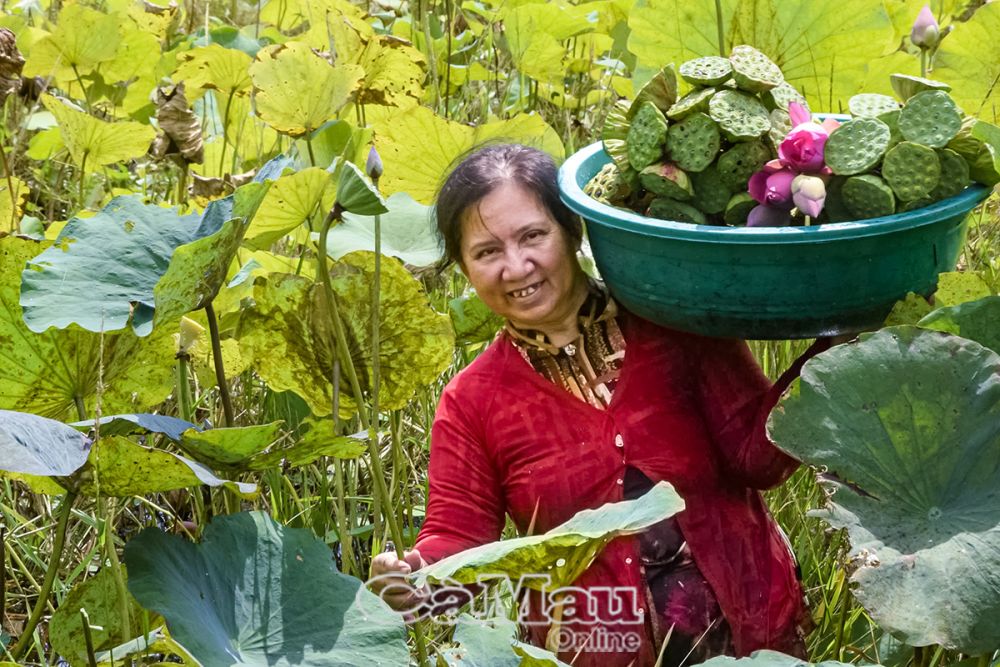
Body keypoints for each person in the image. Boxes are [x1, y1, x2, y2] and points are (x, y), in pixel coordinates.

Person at [371, 143, 829, 667]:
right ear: (462, 266)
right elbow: (460, 540)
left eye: (533, 236)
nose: (516, 267)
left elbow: (758, 457)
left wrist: (834, 349)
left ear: (572, 230)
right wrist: (416, 580)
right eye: (486, 252)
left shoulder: (674, 324)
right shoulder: (472, 401)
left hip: (750, 635)